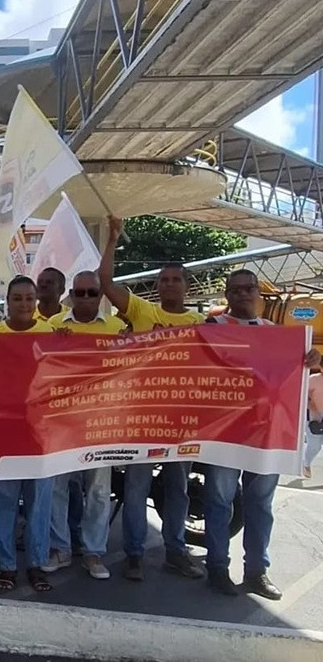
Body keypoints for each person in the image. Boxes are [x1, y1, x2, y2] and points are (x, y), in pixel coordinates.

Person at [99, 215, 206, 582]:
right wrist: (112, 240)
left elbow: (245, 352)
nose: (169, 284)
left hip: (183, 421)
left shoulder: (202, 324)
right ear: (157, 285)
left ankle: (176, 551)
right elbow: (106, 284)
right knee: (136, 485)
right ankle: (134, 554)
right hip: (142, 418)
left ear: (186, 286)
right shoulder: (144, 311)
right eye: (163, 279)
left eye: (176, 279)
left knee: (178, 488)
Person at [203, 269, 320, 599]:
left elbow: (292, 377)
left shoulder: (277, 335)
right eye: (236, 289)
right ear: (227, 293)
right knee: (218, 502)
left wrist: (314, 359)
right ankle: (216, 568)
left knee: (260, 504)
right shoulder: (209, 330)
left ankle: (257, 571)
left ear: (258, 293)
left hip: (264, 435)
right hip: (223, 434)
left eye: (249, 288)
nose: (243, 294)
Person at [45, 271, 127, 580]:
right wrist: (54, 345)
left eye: (91, 293)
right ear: (71, 294)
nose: (86, 298)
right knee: (57, 487)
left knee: (98, 490)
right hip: (62, 420)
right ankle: (60, 548)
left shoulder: (118, 329)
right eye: (80, 293)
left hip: (101, 421)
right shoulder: (54, 327)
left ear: (100, 295)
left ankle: (94, 552)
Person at [0, 276, 56, 592]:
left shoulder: (53, 335)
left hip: (43, 434)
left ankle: (37, 564)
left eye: (29, 298)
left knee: (40, 503)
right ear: (8, 301)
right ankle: (6, 565)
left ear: (36, 299)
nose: (24, 304)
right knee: (4, 501)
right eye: (17, 298)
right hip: (5, 433)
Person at [305, 372, 323, 478]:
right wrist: (311, 406)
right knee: (315, 446)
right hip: (314, 415)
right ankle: (306, 463)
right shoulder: (312, 379)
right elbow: (302, 395)